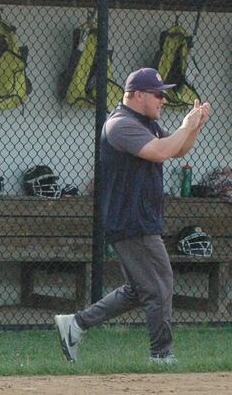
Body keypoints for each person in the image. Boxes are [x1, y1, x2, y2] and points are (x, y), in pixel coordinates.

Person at [55, 68, 211, 365]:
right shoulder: (121, 125)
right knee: (160, 284)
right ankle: (161, 354)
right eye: (158, 94)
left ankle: (75, 324)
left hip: (139, 218)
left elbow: (177, 150)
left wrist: (194, 128)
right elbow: (160, 152)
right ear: (138, 95)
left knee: (139, 290)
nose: (163, 99)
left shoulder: (145, 122)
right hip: (131, 220)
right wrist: (184, 125)